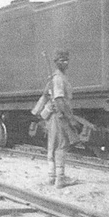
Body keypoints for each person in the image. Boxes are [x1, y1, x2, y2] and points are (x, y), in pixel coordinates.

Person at [47, 50, 80, 188]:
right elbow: (59, 99)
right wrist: (70, 117)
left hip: (55, 116)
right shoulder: (59, 78)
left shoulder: (55, 77)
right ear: (56, 62)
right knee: (61, 145)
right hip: (60, 115)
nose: (65, 63)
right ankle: (60, 179)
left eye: (66, 60)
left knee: (53, 145)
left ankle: (51, 177)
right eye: (61, 60)